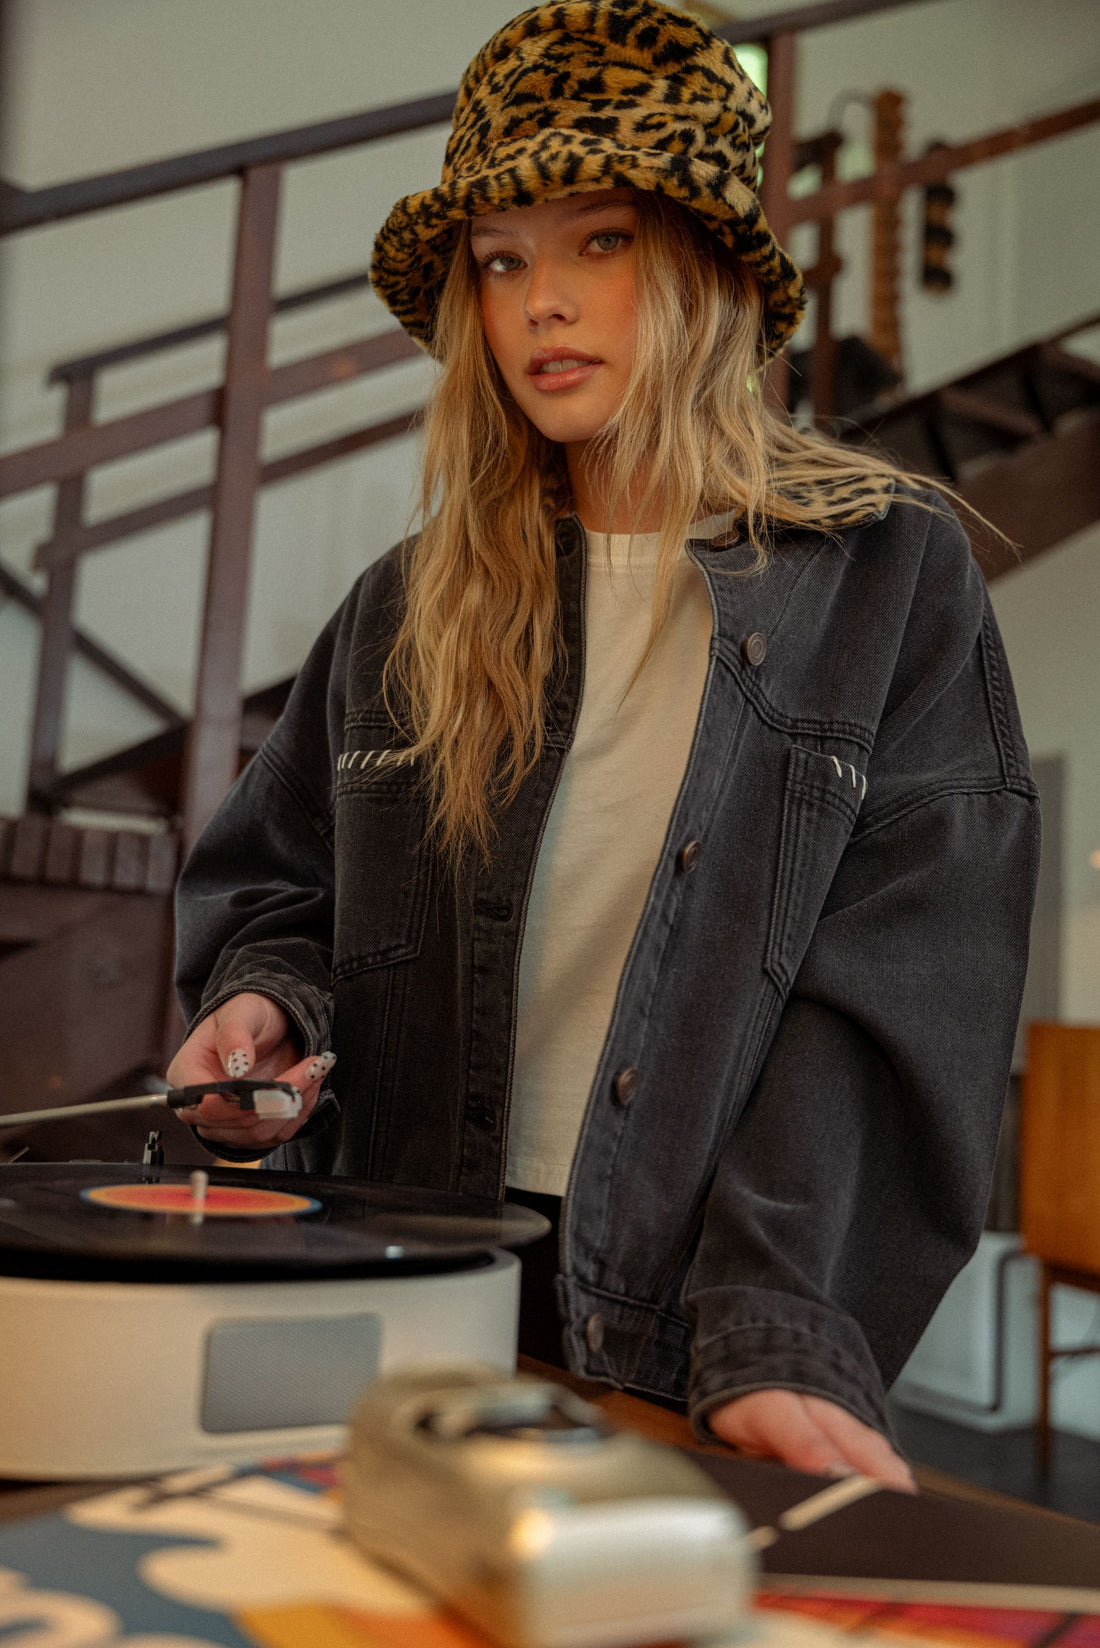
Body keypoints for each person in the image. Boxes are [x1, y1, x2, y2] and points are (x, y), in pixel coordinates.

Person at [169, 0, 1039, 1489]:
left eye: (600, 244)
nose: (538, 305)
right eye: (501, 261)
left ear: (705, 269)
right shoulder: (408, 606)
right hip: (396, 1292)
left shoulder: (888, 576)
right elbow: (281, 891)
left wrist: (775, 1323)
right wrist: (265, 1011)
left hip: (694, 1325)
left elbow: (904, 987)